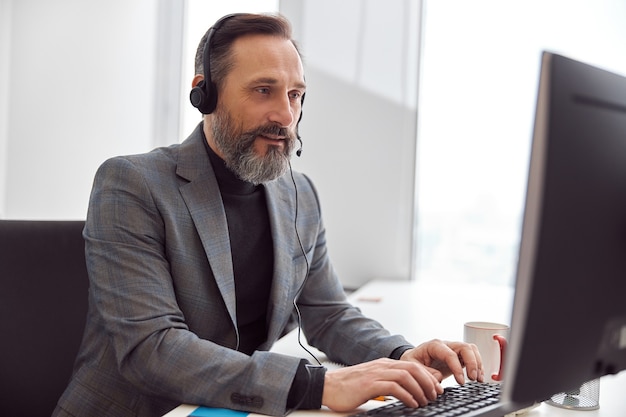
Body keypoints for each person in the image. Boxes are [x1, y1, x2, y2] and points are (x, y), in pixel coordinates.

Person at [53, 12, 483, 417]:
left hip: (232, 406)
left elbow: (328, 313)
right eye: (264, 91)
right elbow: (153, 349)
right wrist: (319, 387)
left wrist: (400, 355)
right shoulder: (132, 184)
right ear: (206, 93)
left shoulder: (299, 194)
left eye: (295, 95)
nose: (285, 116)